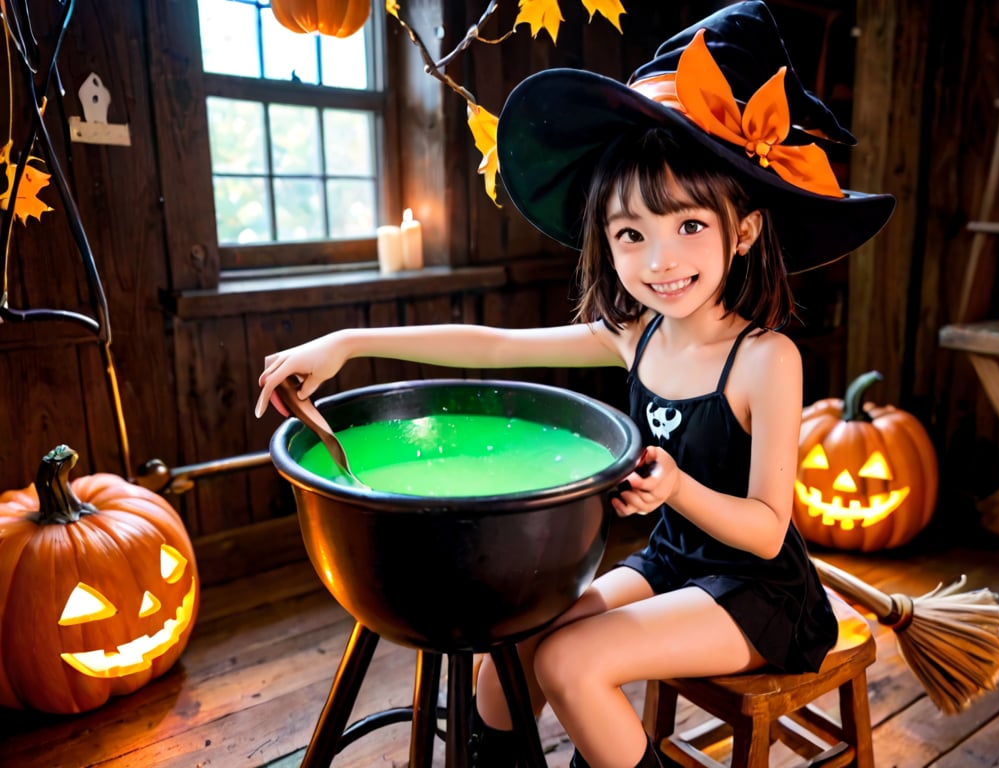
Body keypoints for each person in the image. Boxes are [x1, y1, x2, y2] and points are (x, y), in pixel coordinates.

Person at [255, 2, 894, 766]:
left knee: (569, 662)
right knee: (511, 659)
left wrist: (678, 490)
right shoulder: (638, 334)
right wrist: (350, 342)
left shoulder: (766, 359)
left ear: (745, 230)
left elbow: (764, 528)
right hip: (672, 563)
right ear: (608, 241)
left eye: (690, 226)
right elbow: (489, 345)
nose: (660, 259)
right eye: (633, 234)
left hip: (761, 595)